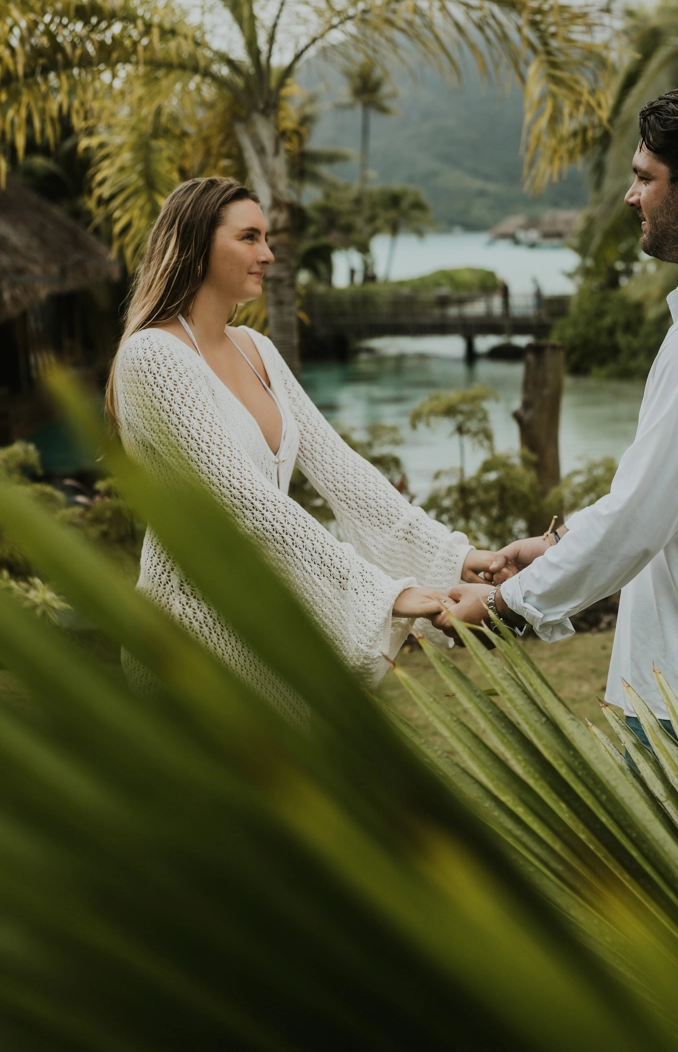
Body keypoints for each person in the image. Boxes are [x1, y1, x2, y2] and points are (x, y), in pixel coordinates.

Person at [438, 78, 678, 734]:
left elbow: (639, 518)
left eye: (645, 177)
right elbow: (674, 492)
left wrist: (506, 602)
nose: (631, 197)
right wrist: (556, 545)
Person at [108, 177, 493, 716]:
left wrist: (454, 557)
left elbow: (345, 473)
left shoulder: (255, 349)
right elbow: (241, 498)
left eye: (265, 238)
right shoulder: (153, 356)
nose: (267, 254)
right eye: (248, 237)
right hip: (191, 628)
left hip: (271, 621)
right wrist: (382, 592)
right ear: (196, 244)